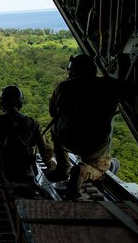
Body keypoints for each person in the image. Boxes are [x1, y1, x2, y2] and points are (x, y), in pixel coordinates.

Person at [48, 54, 128, 199]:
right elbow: (129, 87)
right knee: (101, 169)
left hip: (68, 140)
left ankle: (62, 167)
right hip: (95, 143)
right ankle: (84, 170)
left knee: (54, 129)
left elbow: (53, 113)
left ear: (72, 71)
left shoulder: (64, 87)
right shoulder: (111, 85)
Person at [0, 85, 56, 198]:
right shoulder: (31, 122)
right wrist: (49, 163)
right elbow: (44, 148)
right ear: (19, 103)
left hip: (2, 168)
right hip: (25, 170)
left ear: (2, 103)